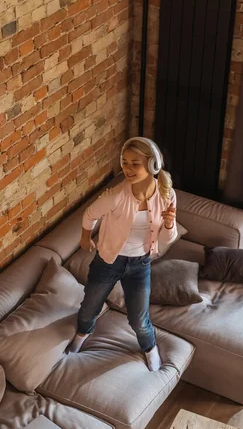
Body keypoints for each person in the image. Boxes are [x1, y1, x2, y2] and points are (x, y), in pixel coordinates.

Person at [68, 137, 177, 371]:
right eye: (125, 163)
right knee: (89, 308)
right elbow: (89, 214)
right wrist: (85, 237)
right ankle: (81, 334)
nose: (127, 169)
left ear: (152, 165)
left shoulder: (166, 195)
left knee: (139, 319)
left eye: (134, 164)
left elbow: (167, 240)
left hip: (140, 264)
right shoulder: (116, 195)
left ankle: (149, 348)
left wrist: (169, 225)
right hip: (108, 262)